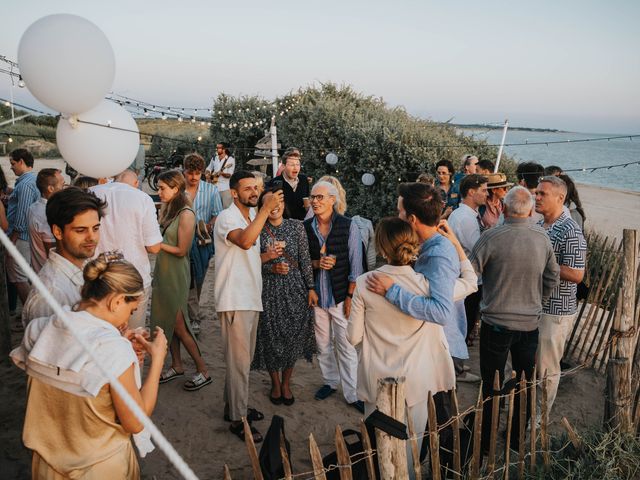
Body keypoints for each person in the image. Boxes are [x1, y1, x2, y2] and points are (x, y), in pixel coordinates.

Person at [11, 253, 168, 479]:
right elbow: (135, 422)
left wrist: (119, 338)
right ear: (116, 302)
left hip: (46, 467)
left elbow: (71, 365)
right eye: (131, 310)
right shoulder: (113, 351)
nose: (129, 318)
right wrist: (158, 360)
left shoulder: (37, 331)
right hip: (100, 468)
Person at [364, 182, 470, 469]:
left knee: (417, 438)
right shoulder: (421, 245)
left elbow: (440, 311)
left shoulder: (436, 254)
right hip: (412, 351)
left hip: (432, 355)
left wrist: (392, 291)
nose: (396, 215)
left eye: (399, 211)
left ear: (412, 218)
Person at [348, 217, 457, 477]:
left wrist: (370, 347)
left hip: (376, 376)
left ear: (382, 249)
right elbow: (468, 280)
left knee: (379, 445)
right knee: (411, 444)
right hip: (416, 378)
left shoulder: (364, 282)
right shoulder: (426, 285)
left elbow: (352, 336)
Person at [470, 186, 560, 452]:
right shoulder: (542, 238)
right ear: (531, 210)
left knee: (491, 383)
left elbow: (469, 272)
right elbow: (552, 276)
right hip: (529, 324)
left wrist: (491, 288)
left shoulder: (491, 236)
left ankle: (486, 442)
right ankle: (517, 439)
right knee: (524, 381)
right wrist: (538, 302)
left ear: (505, 209)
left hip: (496, 322)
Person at [214, 171, 283, 442]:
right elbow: (243, 242)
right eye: (247, 189)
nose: (254, 192)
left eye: (256, 188)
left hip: (250, 297)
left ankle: (233, 407)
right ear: (234, 193)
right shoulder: (227, 218)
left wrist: (269, 256)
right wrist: (265, 210)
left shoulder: (250, 218)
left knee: (241, 361)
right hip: (234, 298)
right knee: (240, 363)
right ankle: (238, 420)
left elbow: (249, 254)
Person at [251, 190, 317, 406]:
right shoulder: (257, 230)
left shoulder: (296, 226)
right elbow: (250, 265)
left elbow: (305, 260)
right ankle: (275, 383)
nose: (274, 206)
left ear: (283, 202)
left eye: (278, 201)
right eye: (268, 203)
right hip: (268, 291)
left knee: (292, 337)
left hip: (295, 288)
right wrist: (271, 268)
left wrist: (310, 287)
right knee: (269, 336)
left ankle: (286, 383)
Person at [303, 181, 364, 412]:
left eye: (320, 197)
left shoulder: (349, 226)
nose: (315, 201)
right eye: (313, 197)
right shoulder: (306, 227)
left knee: (346, 345)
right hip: (317, 296)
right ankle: (330, 381)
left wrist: (350, 296)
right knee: (322, 344)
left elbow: (356, 267)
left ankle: (352, 393)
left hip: (340, 296)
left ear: (332, 199)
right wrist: (317, 263)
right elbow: (300, 263)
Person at [151, 170, 210, 392]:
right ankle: (176, 365)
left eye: (162, 188)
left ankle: (203, 369)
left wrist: (158, 245)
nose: (159, 192)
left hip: (176, 272)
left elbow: (182, 249)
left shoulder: (186, 213)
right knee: (168, 322)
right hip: (164, 270)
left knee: (180, 324)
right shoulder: (168, 209)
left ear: (176, 189)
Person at [535, 176, 587, 420]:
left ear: (560, 198)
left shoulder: (571, 230)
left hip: (556, 311)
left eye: (542, 194)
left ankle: (538, 422)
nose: (536, 197)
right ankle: (527, 416)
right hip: (536, 306)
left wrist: (543, 264)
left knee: (546, 370)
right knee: (533, 367)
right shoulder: (541, 224)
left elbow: (577, 274)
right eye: (536, 192)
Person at [21, 187, 107, 326]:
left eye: (95, 228)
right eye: (81, 230)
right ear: (58, 232)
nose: (92, 237)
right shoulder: (50, 295)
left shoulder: (84, 265)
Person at [92, 169, 163, 330]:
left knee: (101, 336)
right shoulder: (142, 198)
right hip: (134, 278)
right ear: (136, 183)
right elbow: (153, 247)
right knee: (134, 336)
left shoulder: (92, 192)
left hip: (99, 277)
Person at [448, 174, 488, 354]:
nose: (487, 194)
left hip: (463, 276)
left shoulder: (464, 214)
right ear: (471, 192)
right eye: (484, 190)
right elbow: (479, 249)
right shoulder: (465, 219)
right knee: (464, 322)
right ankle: (457, 369)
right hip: (466, 277)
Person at [183, 153, 223, 335]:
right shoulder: (177, 190)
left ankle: (191, 313)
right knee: (185, 279)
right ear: (184, 171)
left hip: (202, 242)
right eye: (190, 173)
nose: (193, 177)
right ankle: (192, 317)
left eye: (197, 173)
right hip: (182, 240)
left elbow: (217, 213)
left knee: (198, 280)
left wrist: (209, 225)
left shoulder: (211, 190)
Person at [7, 148, 40, 306]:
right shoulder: (31, 181)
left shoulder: (26, 185)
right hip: (26, 237)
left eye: (12, 163)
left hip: (21, 238)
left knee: (19, 278)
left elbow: (22, 217)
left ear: (21, 162)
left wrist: (11, 241)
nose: (11, 167)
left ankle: (29, 316)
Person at [28, 168, 65, 273]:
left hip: (39, 269)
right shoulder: (46, 213)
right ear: (51, 188)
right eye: (62, 184)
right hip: (51, 273)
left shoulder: (34, 206)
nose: (64, 188)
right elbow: (53, 252)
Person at [269, 148, 310, 220]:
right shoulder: (274, 183)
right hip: (283, 225)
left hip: (302, 224)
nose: (295, 168)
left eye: (297, 164)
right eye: (292, 165)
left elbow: (307, 199)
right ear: (284, 166)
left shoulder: (304, 180)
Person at [206, 142, 235, 208]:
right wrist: (207, 174)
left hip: (224, 188)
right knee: (214, 208)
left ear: (224, 149)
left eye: (218, 148)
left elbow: (229, 175)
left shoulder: (231, 159)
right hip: (213, 187)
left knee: (226, 208)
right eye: (216, 148)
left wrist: (221, 173)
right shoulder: (214, 158)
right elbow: (209, 168)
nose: (217, 149)